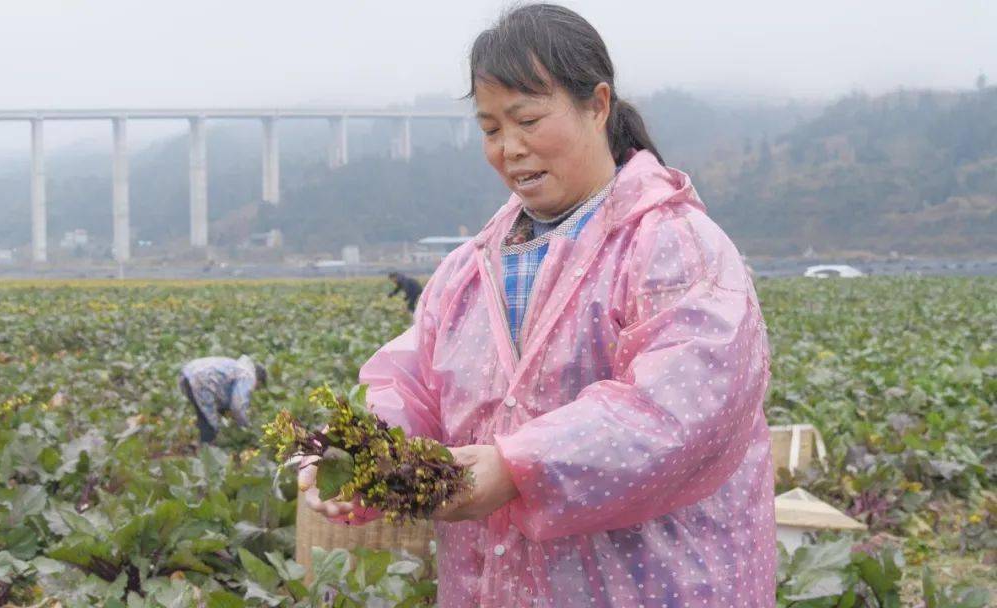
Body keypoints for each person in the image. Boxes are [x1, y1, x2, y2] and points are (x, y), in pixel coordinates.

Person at [300, 4, 775, 607]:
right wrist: (374, 456)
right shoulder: (469, 269)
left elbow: (679, 414)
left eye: (527, 119)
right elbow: (415, 383)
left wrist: (518, 467)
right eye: (491, 129)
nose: (510, 149)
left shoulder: (673, 247)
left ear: (597, 105)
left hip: (659, 585)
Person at [178, 355, 266, 444]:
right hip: (201, 379)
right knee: (210, 423)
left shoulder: (238, 367)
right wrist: (245, 425)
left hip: (187, 373)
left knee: (204, 416)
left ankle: (204, 448)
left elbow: (223, 396)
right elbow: (237, 405)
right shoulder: (248, 376)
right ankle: (208, 451)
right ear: (258, 381)